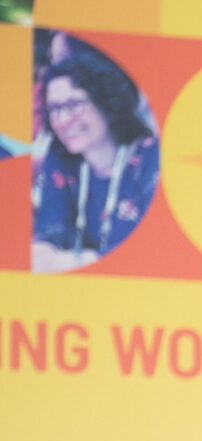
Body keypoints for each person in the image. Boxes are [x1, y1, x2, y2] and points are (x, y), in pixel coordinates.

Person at [32, 41, 159, 273]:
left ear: (106, 102)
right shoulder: (61, 156)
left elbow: (152, 255)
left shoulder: (152, 159)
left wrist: (67, 262)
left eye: (74, 104)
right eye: (54, 109)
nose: (62, 120)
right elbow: (48, 235)